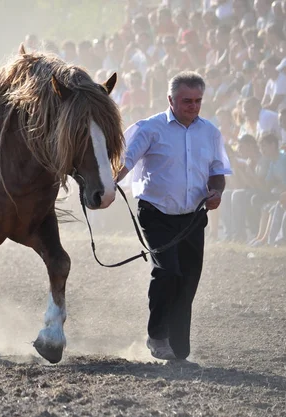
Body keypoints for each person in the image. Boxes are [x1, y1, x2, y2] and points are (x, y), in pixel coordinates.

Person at [115, 71, 232, 361]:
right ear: (171, 99)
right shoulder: (150, 129)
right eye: (186, 100)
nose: (193, 106)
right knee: (167, 272)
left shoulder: (210, 132)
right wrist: (105, 188)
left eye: (197, 101)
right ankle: (157, 336)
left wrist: (216, 193)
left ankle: (179, 346)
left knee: (188, 278)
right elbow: (124, 163)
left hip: (193, 216)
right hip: (156, 212)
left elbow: (218, 172)